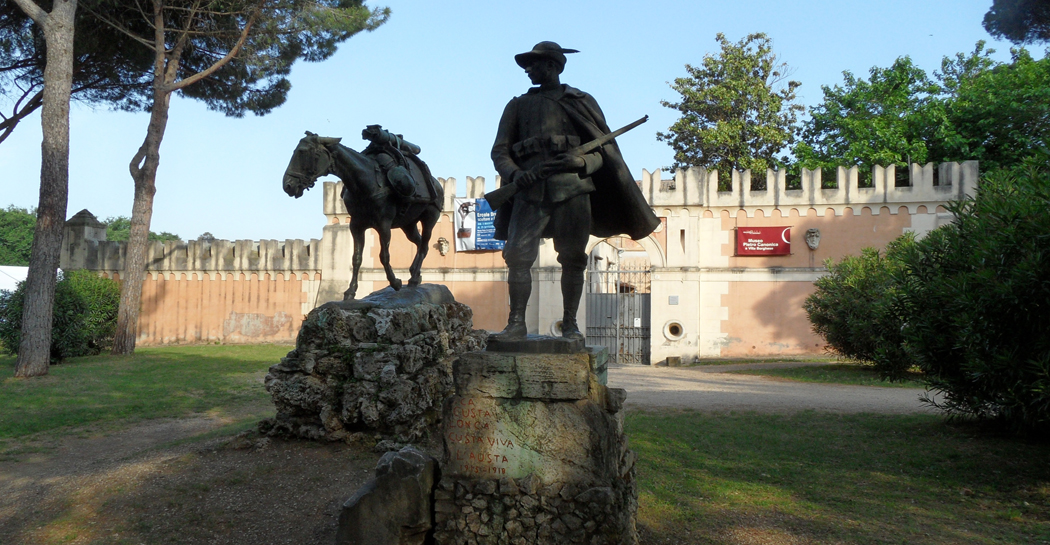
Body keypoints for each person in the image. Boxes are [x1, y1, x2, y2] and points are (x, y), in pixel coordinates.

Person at [491, 41, 660, 341]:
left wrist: (579, 160)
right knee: (517, 256)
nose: (528, 69)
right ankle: (516, 323)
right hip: (529, 192)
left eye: (534, 64)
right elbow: (500, 151)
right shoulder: (516, 105)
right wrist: (517, 174)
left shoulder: (581, 101)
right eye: (527, 65)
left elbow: (603, 152)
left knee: (572, 258)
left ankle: (570, 324)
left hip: (573, 189)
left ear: (553, 66)